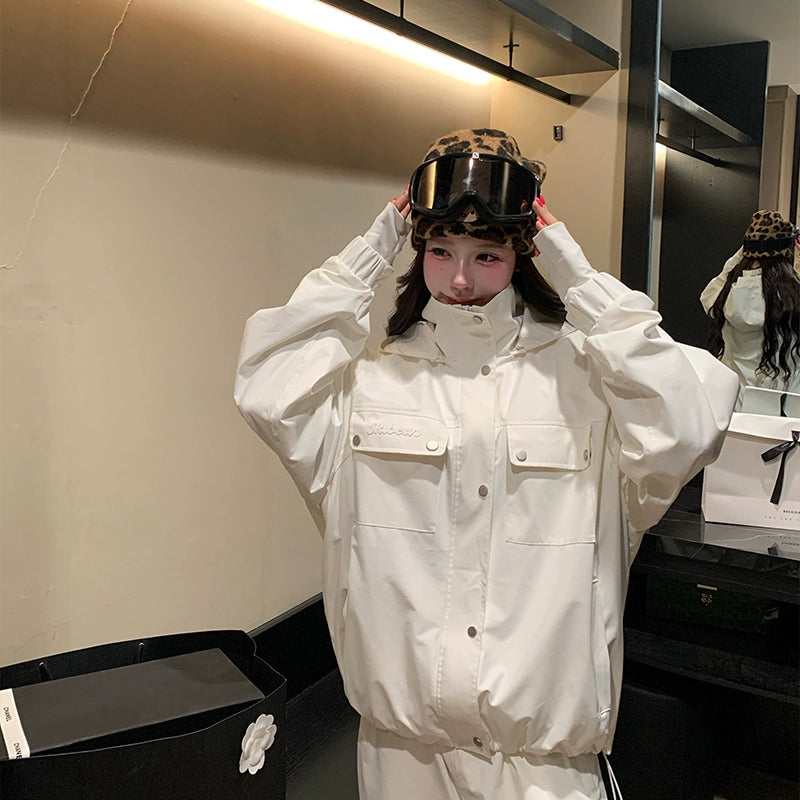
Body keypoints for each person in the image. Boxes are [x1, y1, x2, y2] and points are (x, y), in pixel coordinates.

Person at [235, 129, 738, 800]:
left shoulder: (586, 386)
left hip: (542, 772)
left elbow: (688, 421)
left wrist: (578, 275)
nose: (462, 278)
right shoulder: (371, 387)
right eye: (439, 251)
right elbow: (268, 385)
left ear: (525, 255)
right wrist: (372, 247)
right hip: (403, 763)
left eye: (488, 254)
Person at [700, 209, 800, 408]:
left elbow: (719, 280)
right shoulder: (793, 301)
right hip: (785, 409)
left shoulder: (721, 298)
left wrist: (750, 247)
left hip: (734, 406)